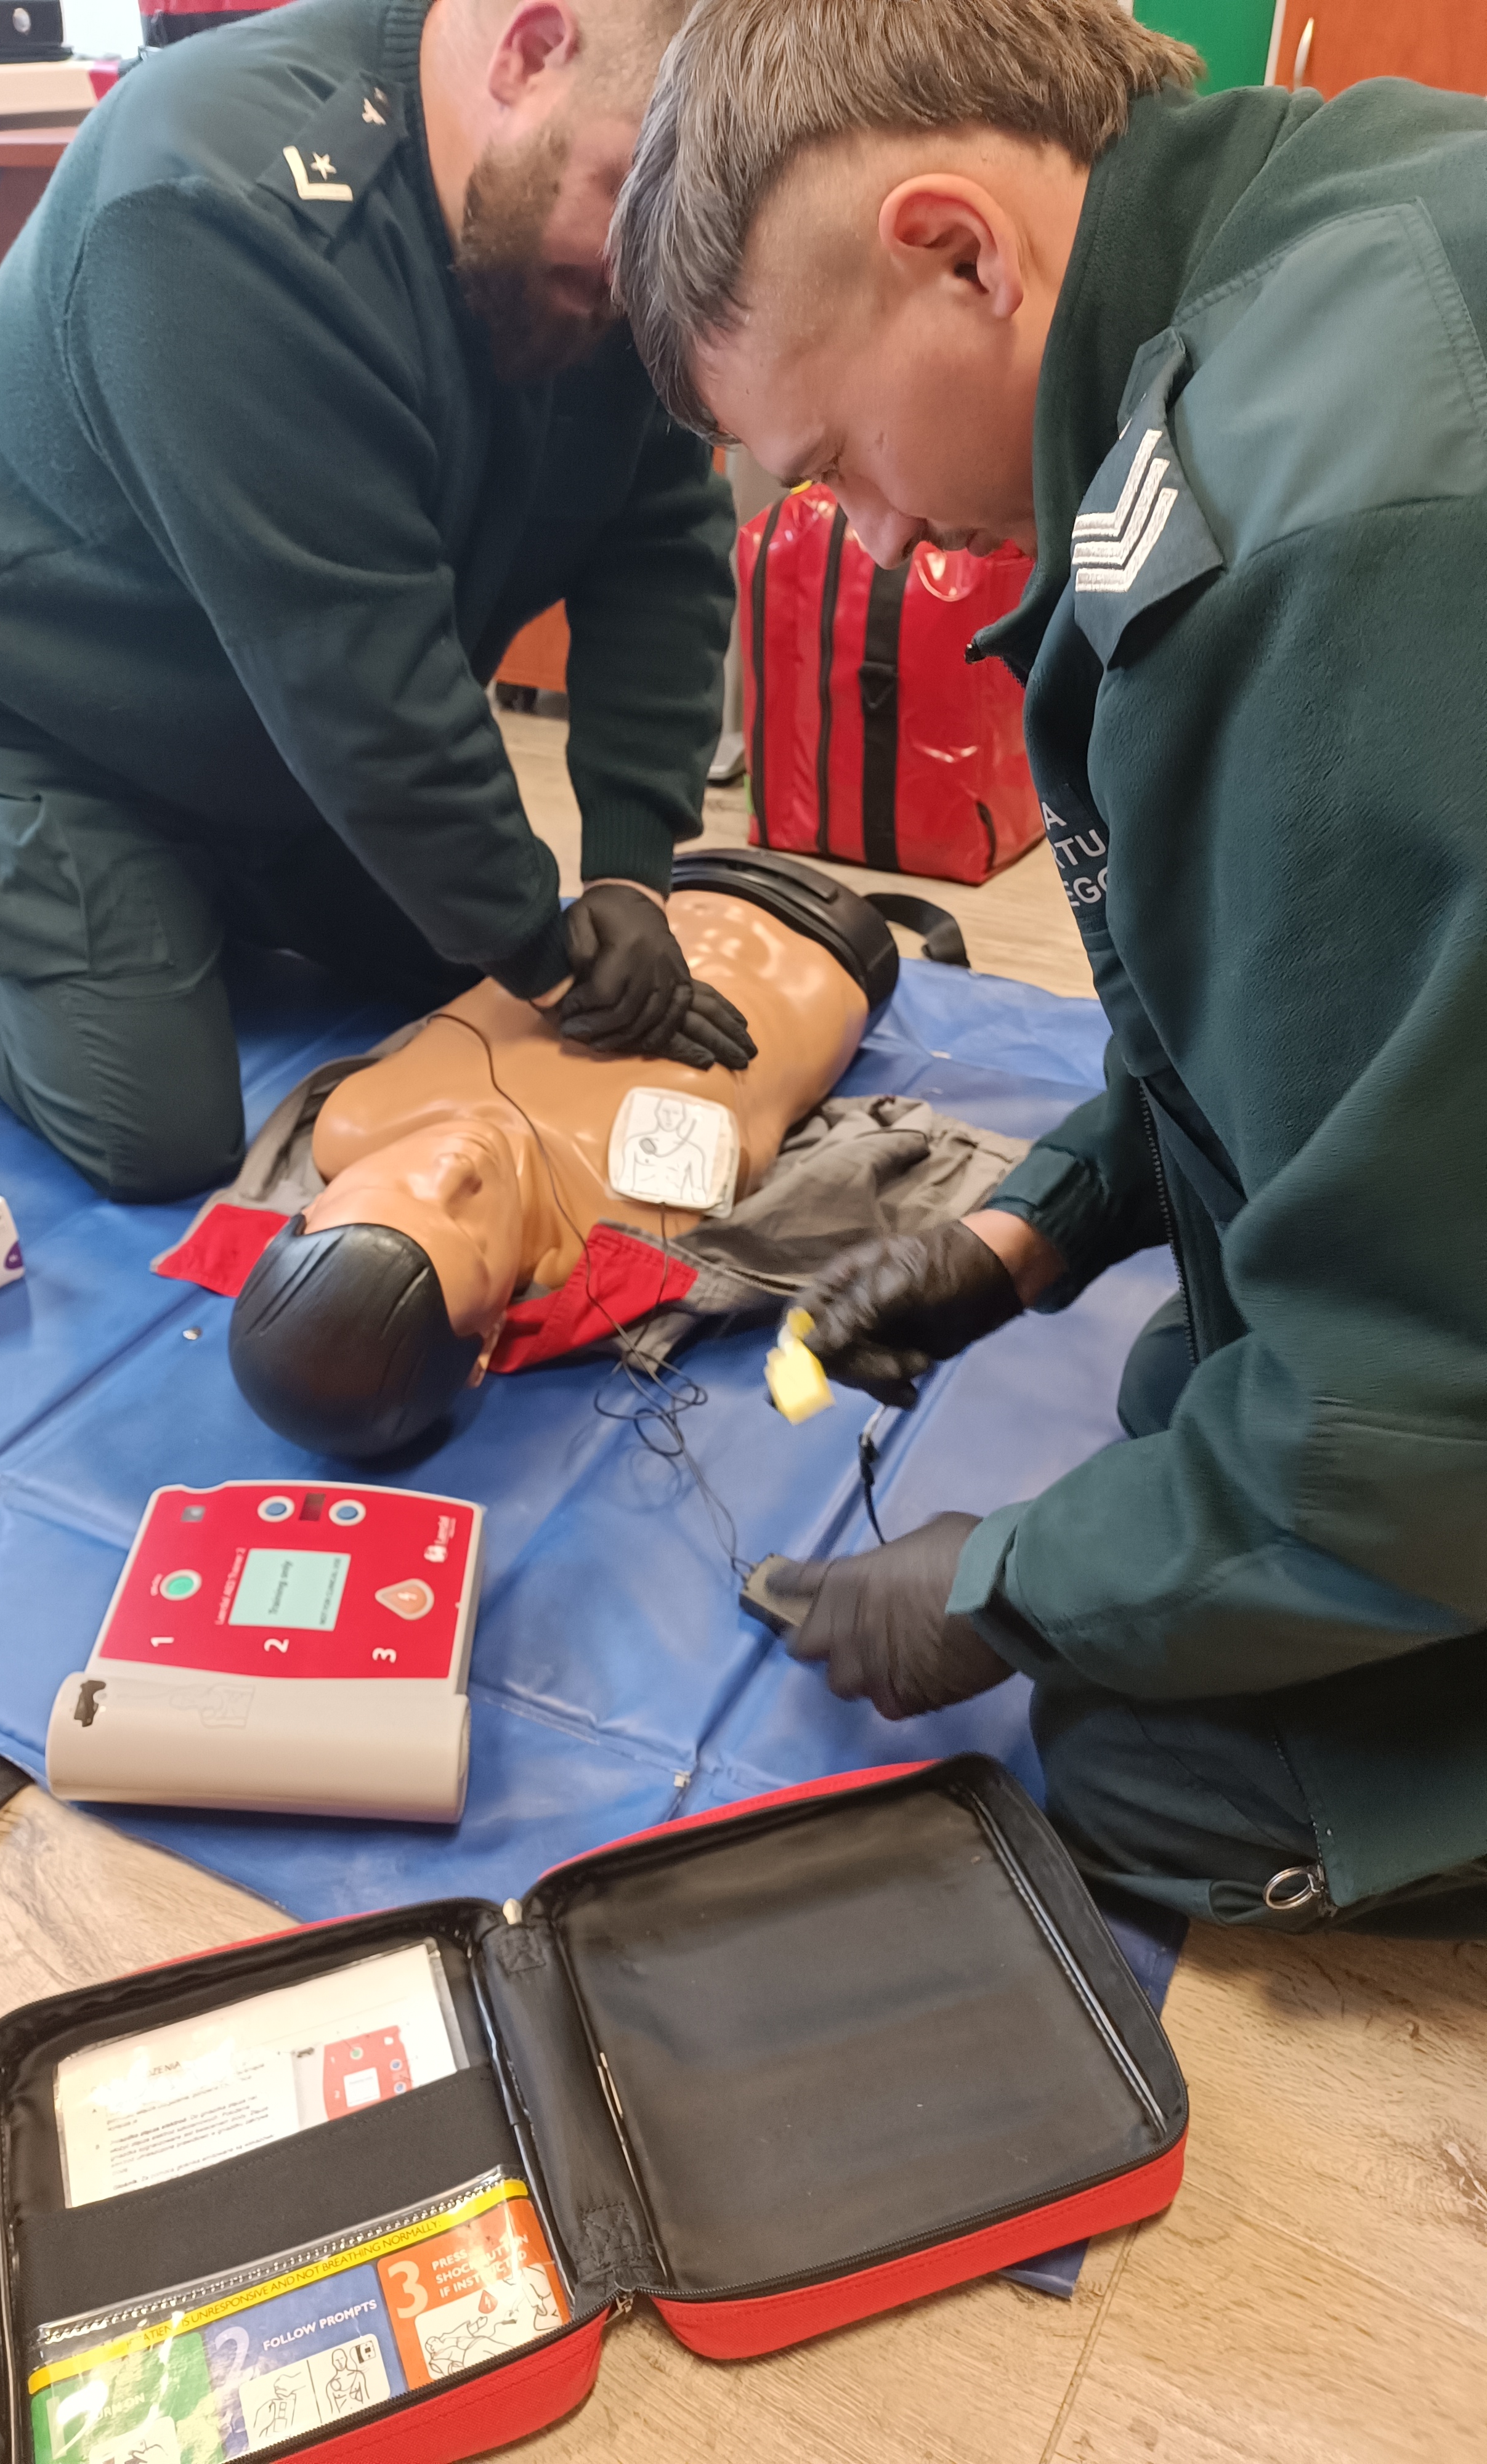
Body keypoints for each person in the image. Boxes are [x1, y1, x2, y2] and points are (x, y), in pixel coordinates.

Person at [610, 0, 1487, 1933]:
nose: (867, 539)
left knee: (1139, 1757)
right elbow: (1309, 1028)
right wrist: (1035, 1231)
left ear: (960, 251)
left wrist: (1002, 1587)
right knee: (1181, 1414)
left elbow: (1423, 1406)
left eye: (834, 461)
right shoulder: (1333, 221)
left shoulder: (1324, 549)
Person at [0, 0, 746, 1204]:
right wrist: (544, 953)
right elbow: (364, 686)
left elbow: (660, 544)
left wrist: (633, 870)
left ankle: (200, 888)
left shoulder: (616, 227)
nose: (644, 283)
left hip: (273, 713)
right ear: (531, 53)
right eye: (626, 205)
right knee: (154, 1127)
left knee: (454, 978)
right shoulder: (214, 210)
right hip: (46, 703)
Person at [225, 851, 1021, 1452]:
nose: (451, 1166)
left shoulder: (352, 1122)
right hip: (836, 937)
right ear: (487, 1343)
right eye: (464, 1220)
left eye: (393, 1188)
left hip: (665, 879)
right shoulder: (640, 1203)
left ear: (312, 1210)